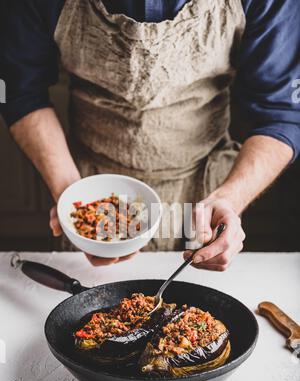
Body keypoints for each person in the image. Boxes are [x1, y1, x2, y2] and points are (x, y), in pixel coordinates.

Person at [1, 0, 300, 269]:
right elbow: (18, 92)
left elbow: (281, 111)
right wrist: (70, 193)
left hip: (204, 192)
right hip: (88, 185)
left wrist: (231, 199)